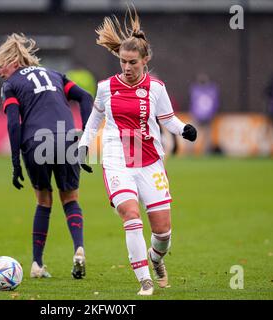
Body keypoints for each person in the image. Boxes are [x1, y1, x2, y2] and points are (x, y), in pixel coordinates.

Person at [78, 7, 197, 295]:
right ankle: (144, 280)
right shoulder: (106, 87)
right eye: (123, 62)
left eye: (133, 62)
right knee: (131, 215)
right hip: (118, 160)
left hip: (149, 162)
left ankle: (156, 260)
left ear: (145, 60)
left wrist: (184, 130)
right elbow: (95, 119)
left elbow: (167, 119)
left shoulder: (156, 88)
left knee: (163, 233)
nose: (127, 67)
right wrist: (83, 145)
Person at [0, 33, 94, 279]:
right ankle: (79, 249)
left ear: (13, 61)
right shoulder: (55, 75)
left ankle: (36, 264)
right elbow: (86, 98)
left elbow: (14, 123)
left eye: (0, 65)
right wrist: (86, 141)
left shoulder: (11, 84)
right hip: (66, 137)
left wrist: (15, 161)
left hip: (36, 142)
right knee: (70, 199)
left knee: (43, 201)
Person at [189, 73, 219, 155]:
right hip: (207, 116)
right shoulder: (212, 90)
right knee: (206, 136)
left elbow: (193, 103)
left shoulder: (196, 90)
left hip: (198, 115)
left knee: (192, 133)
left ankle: (192, 151)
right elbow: (215, 104)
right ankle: (205, 152)